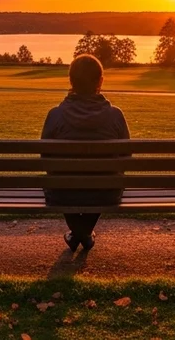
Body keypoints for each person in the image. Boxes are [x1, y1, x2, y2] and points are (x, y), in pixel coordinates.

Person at [40, 53, 130, 252]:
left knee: (59, 182)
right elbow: (126, 159)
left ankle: (79, 232)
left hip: (61, 194)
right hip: (106, 194)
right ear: (100, 81)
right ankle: (84, 232)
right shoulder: (115, 115)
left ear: (71, 81)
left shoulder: (55, 115)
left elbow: (45, 160)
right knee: (106, 182)